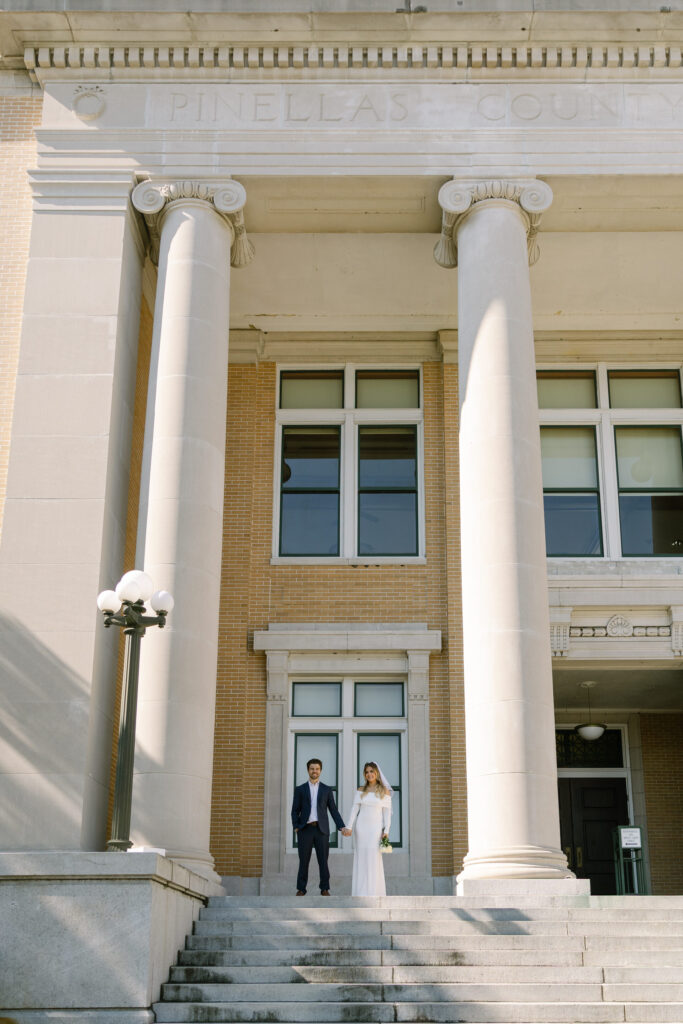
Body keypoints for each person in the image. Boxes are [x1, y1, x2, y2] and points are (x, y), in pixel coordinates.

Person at [291, 757, 350, 896]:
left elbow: (333, 810)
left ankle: (324, 888)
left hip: (321, 830)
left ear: (320, 771)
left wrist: (341, 826)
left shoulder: (326, 790)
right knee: (303, 861)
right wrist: (296, 826)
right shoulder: (300, 789)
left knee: (323, 861)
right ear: (308, 770)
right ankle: (301, 889)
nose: (314, 771)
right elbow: (295, 810)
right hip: (305, 829)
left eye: (317, 769)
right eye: (312, 769)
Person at [345, 761, 392, 897]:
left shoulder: (384, 791)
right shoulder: (361, 790)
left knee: (373, 857)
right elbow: (354, 810)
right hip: (361, 828)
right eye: (366, 772)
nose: (369, 774)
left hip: (375, 829)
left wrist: (386, 831)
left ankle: (374, 892)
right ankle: (360, 893)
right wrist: (349, 827)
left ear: (376, 773)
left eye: (371, 771)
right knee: (361, 858)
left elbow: (387, 814)